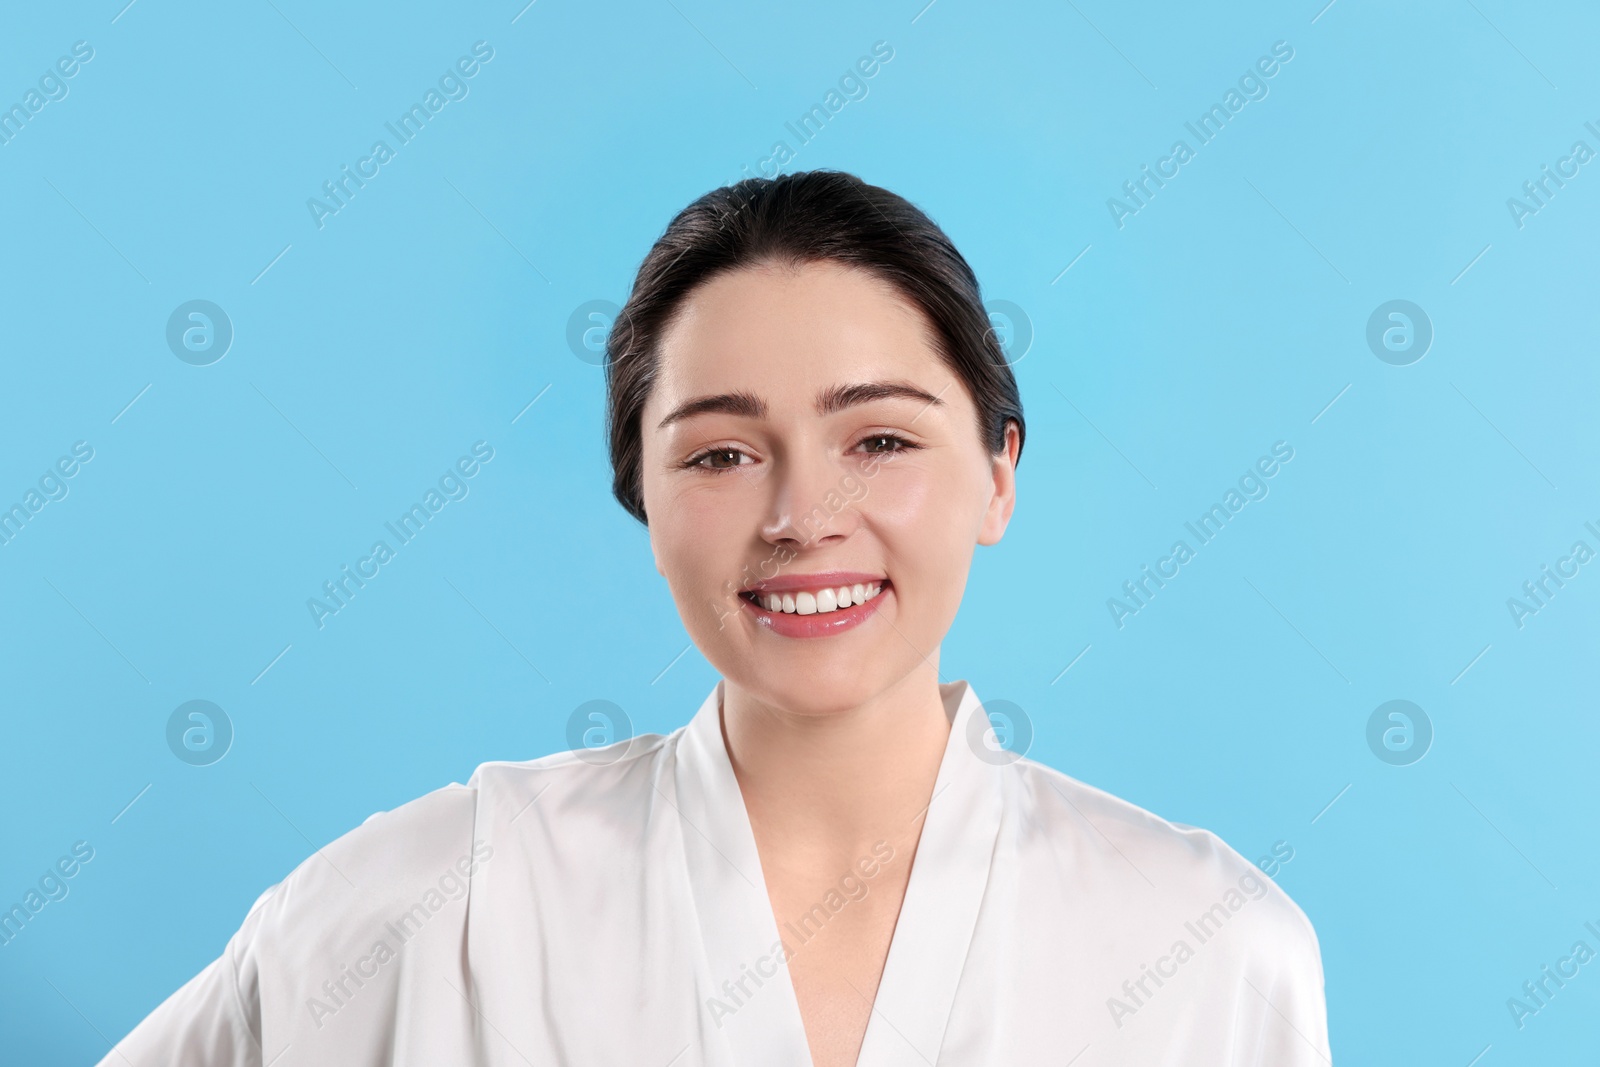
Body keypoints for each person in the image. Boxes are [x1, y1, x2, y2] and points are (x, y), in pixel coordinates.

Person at [100, 170, 1330, 1066]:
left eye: (880, 438)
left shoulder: (1210, 946)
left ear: (999, 472)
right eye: (723, 453)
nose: (802, 513)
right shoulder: (435, 901)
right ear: (642, 493)